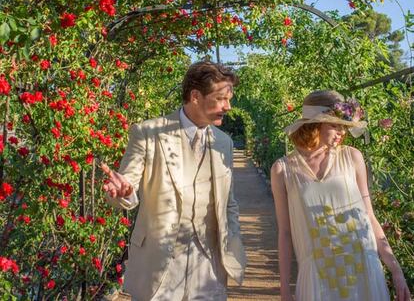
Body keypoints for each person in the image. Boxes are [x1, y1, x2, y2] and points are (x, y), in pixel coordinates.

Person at [101, 61, 246, 301]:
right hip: (160, 264)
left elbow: (228, 203)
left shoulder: (224, 142)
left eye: (229, 99)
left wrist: (234, 241)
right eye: (221, 98)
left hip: (209, 265)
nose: (228, 107)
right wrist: (123, 192)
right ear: (196, 96)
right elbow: (127, 185)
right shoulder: (148, 132)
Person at [270, 90, 411, 301]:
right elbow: (285, 233)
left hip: (363, 268)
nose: (341, 134)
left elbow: (369, 216)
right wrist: (284, 290)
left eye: (344, 127)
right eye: (335, 126)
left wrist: (396, 270)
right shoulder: (283, 169)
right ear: (314, 125)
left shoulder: (352, 157)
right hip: (318, 276)